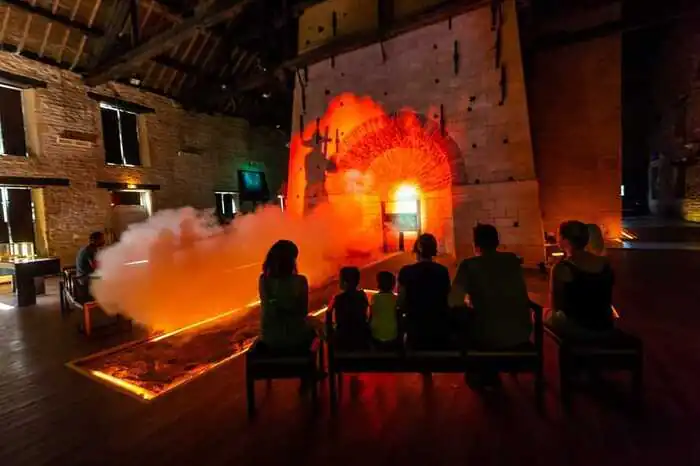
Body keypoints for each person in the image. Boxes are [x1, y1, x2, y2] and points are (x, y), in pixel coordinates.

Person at [449, 224, 532, 349]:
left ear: (475, 244)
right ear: (497, 241)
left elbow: (454, 300)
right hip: (520, 334)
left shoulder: (469, 265)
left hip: (486, 336)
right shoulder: (512, 260)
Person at [547, 220, 615, 339]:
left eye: (559, 235)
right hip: (604, 324)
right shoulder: (605, 263)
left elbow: (556, 306)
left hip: (577, 327)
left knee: (541, 315)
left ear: (565, 240)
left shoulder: (562, 268)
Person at [397, 233, 451, 349]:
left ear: (417, 250)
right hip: (438, 326)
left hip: (416, 327)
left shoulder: (407, 272)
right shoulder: (442, 271)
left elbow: (401, 301)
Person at [259, 240, 314, 351]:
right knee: (315, 327)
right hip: (295, 337)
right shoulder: (300, 281)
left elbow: (269, 306)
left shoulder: (263, 280)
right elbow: (303, 312)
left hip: (270, 338)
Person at [328, 266, 370, 350]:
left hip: (343, 338)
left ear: (345, 283)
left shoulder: (338, 299)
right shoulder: (362, 296)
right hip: (360, 336)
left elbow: (328, 313)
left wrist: (330, 332)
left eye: (340, 279)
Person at [369, 271, 399, 350]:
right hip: (393, 334)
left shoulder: (375, 298)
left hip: (376, 334)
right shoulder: (396, 298)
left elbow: (372, 316)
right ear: (393, 284)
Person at [75, 231, 105, 301]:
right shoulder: (90, 250)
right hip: (84, 278)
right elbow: (94, 266)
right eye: (102, 239)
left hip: (81, 275)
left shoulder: (86, 248)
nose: (104, 241)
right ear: (95, 240)